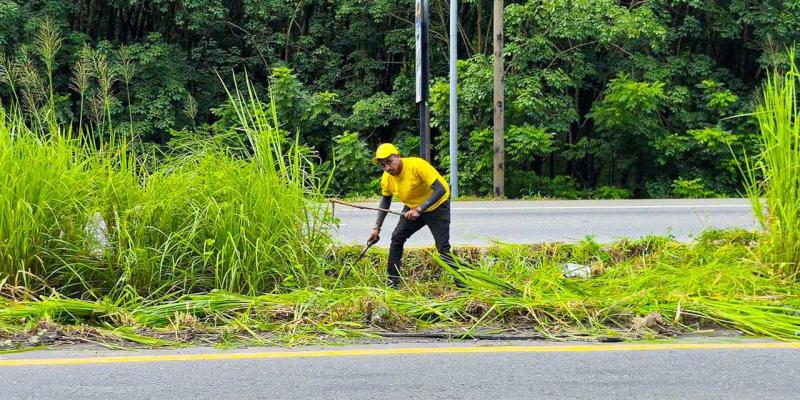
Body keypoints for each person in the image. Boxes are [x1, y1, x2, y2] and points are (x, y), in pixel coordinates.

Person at [366, 143, 464, 288]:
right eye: (382, 165)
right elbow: (385, 201)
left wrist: (420, 209)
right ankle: (392, 283)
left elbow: (441, 189)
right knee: (397, 238)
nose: (387, 168)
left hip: (436, 206)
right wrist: (376, 228)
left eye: (389, 162)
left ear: (398, 157)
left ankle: (464, 284)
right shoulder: (387, 178)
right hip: (413, 208)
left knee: (442, 248)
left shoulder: (416, 165)